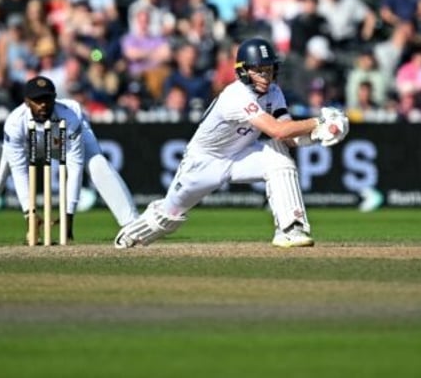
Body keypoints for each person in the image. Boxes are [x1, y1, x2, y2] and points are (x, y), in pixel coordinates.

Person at [114, 37, 349, 249]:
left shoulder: (274, 93)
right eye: (259, 71)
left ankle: (290, 229)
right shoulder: (235, 96)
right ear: (244, 71)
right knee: (170, 215)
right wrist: (318, 122)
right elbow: (277, 131)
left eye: (269, 70)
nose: (265, 77)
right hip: (203, 163)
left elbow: (287, 139)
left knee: (279, 160)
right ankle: (129, 236)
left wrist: (321, 133)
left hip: (240, 156)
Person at [0, 75, 138, 241]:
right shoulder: (14, 123)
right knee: (1, 160)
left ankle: (132, 224)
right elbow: (19, 171)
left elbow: (74, 166)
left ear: (55, 99)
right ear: (27, 101)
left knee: (97, 162)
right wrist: (29, 213)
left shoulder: (70, 115)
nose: (43, 105)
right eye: (37, 100)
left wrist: (68, 214)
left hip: (62, 143)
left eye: (47, 99)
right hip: (32, 145)